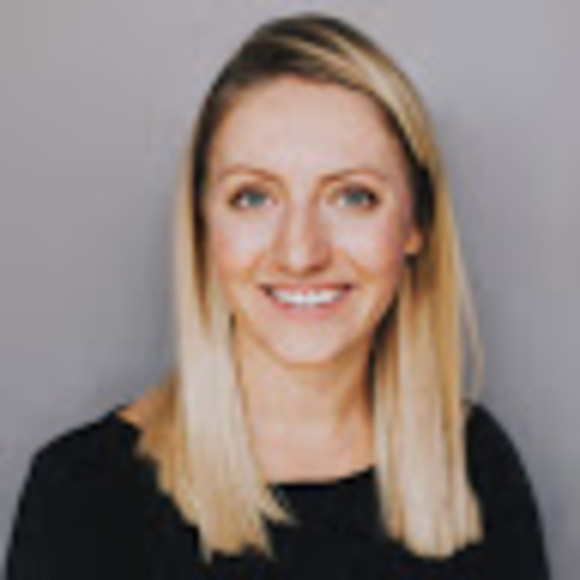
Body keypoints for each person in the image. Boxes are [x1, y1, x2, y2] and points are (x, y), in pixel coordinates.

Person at [5, 12, 550, 579]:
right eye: (254, 197)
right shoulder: (82, 496)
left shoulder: (474, 467)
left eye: (353, 196)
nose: (300, 253)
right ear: (203, 227)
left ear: (418, 224)